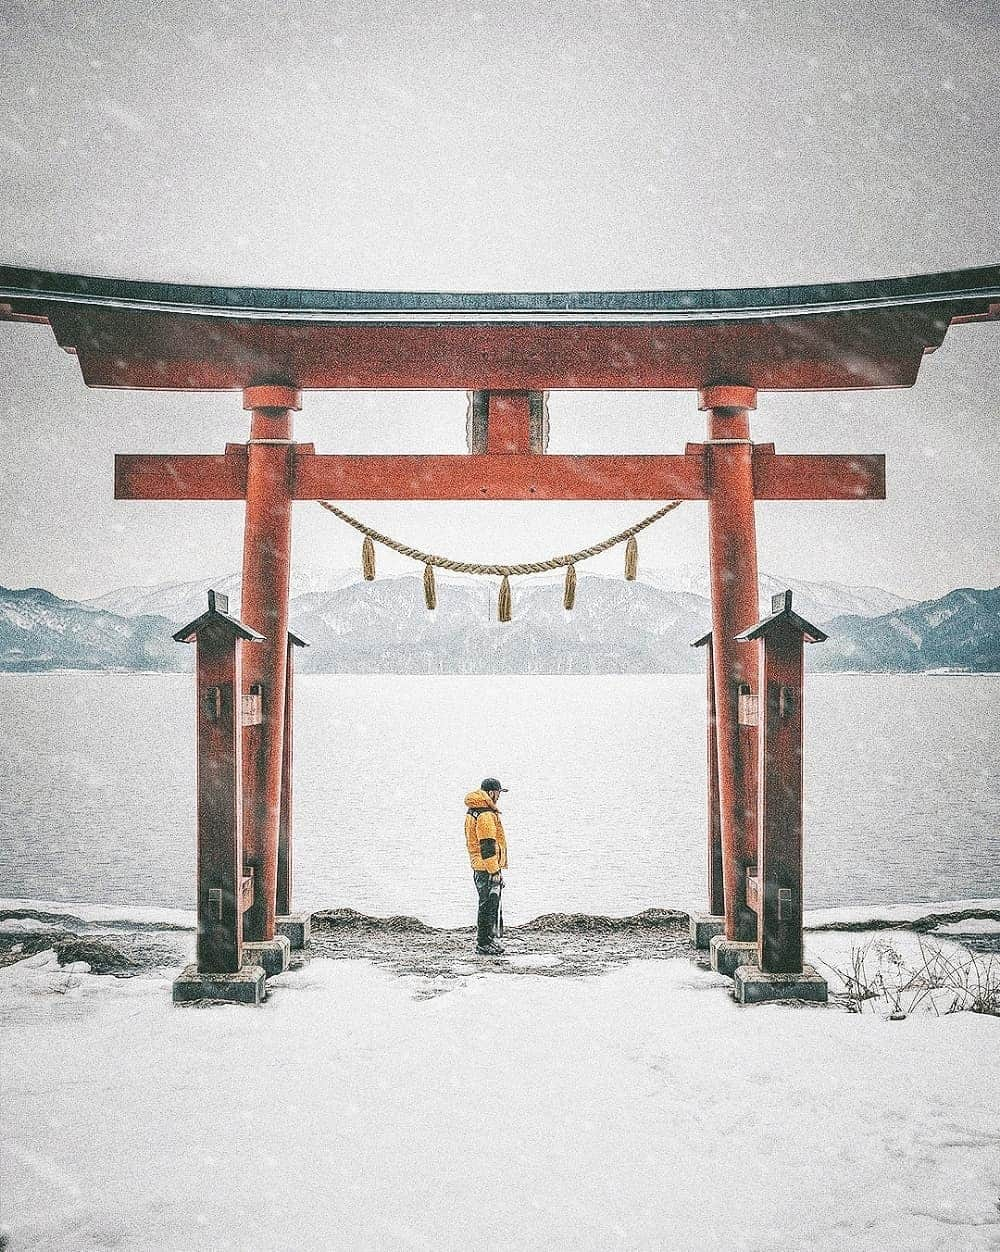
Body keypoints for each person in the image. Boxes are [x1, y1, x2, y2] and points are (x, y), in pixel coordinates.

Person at [464, 777, 508, 955]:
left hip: (479, 865)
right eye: (498, 793)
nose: (499, 796)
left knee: (486, 904)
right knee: (488, 905)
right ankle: (484, 942)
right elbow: (488, 846)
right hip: (486, 867)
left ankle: (487, 940)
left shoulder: (474, 810)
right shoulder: (485, 815)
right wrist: (495, 871)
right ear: (491, 793)